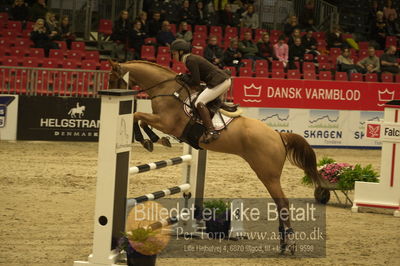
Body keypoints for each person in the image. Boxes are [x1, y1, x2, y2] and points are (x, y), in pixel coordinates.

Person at [170, 39, 231, 143]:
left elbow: (195, 82)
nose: (173, 56)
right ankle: (220, 106)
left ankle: (211, 132)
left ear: (181, 52)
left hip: (220, 82)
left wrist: (183, 77)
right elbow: (196, 77)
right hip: (221, 80)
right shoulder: (190, 59)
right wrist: (185, 76)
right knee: (202, 97)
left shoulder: (190, 60)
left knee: (199, 102)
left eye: (174, 53)